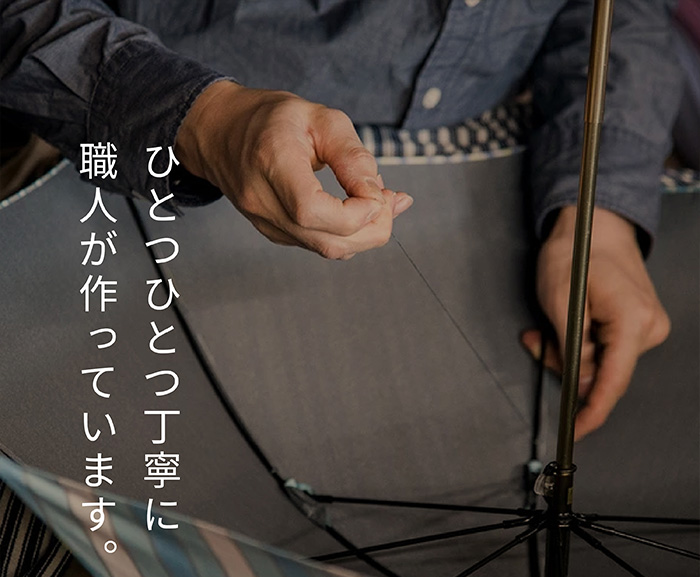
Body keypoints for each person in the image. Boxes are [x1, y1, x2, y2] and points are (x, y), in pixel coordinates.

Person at [1, 0, 683, 441]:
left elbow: (617, 13)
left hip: (511, 178)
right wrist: (204, 119)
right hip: (130, 143)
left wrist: (598, 211)